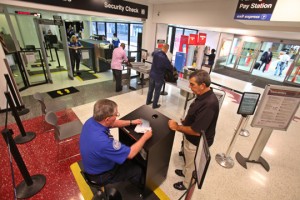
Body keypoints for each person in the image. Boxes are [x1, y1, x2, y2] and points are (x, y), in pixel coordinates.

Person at [80, 99, 152, 188]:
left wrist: (131, 122)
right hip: (101, 175)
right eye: (116, 114)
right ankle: (140, 188)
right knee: (137, 169)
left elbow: (113, 123)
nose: (117, 116)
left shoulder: (91, 121)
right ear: (107, 119)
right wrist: (145, 137)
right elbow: (130, 153)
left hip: (93, 166)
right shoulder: (104, 142)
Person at [168, 70, 219, 191]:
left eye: (192, 84)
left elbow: (196, 131)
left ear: (202, 85)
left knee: (192, 163)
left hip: (196, 141)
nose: (190, 87)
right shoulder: (202, 95)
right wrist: (186, 121)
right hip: (189, 136)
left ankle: (186, 183)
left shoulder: (209, 104)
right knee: (188, 159)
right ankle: (186, 172)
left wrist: (177, 127)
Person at [146, 43, 173, 109]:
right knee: (157, 91)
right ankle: (154, 105)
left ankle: (148, 101)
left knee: (150, 89)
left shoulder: (156, 53)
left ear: (162, 47)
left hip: (152, 75)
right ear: (166, 49)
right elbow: (169, 67)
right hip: (159, 77)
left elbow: (152, 54)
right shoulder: (164, 58)